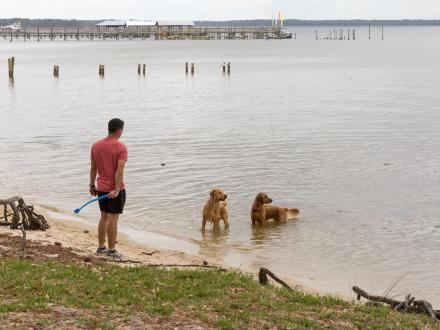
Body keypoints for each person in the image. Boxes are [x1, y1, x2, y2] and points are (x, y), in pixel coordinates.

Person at [89, 118, 128, 259]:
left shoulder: (95, 146)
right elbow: (119, 171)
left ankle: (101, 248)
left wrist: (91, 184)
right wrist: (117, 189)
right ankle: (111, 251)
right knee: (113, 219)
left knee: (103, 217)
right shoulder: (121, 147)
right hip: (114, 190)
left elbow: (93, 168)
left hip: (101, 188)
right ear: (119, 130)